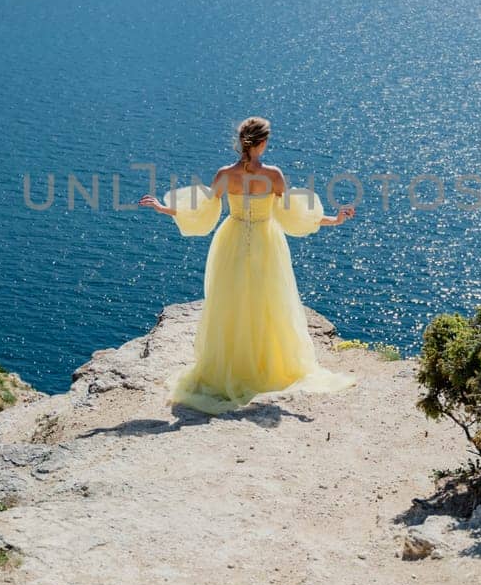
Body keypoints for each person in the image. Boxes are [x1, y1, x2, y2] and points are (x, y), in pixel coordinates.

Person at [139, 116, 358, 414]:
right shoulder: (274, 175)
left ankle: (230, 367)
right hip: (266, 241)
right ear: (263, 142)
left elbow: (202, 209)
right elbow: (293, 214)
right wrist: (334, 219)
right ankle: (265, 366)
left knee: (229, 303)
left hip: (231, 240)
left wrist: (165, 208)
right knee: (269, 302)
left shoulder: (225, 174)